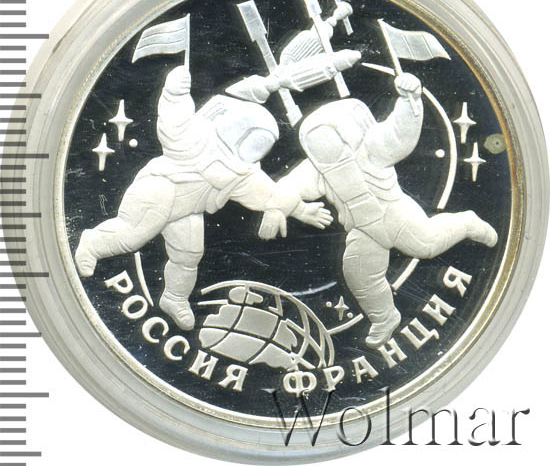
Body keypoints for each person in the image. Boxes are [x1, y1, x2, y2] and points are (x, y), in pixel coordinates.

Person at [75, 66, 333, 330]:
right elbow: (172, 121)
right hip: (157, 190)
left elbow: (269, 195)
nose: (254, 149)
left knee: (188, 256)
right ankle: (92, 244)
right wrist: (175, 92)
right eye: (254, 139)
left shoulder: (241, 173)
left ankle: (174, 298)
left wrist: (300, 210)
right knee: (132, 235)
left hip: (187, 212)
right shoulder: (195, 138)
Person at [260, 73, 498, 348]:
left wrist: (409, 101)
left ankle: (467, 223)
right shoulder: (319, 170)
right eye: (319, 141)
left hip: (395, 214)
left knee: (427, 244)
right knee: (359, 274)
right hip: (362, 229)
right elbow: (290, 185)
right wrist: (276, 209)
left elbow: (399, 135)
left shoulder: (372, 148)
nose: (326, 146)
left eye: (329, 137)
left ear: (345, 131)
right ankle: (384, 317)